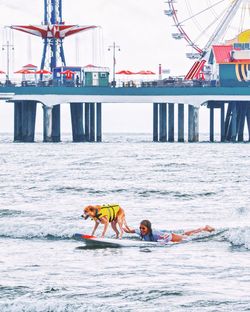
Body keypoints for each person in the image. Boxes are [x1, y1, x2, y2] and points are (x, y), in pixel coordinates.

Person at [123, 219, 215, 243]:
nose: (141, 230)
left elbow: (168, 237)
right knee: (185, 234)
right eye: (140, 228)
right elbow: (133, 230)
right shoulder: (141, 232)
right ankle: (204, 228)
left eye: (143, 228)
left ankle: (204, 229)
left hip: (172, 237)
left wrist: (163, 243)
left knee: (188, 238)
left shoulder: (154, 234)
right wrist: (126, 230)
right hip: (167, 235)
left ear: (148, 229)